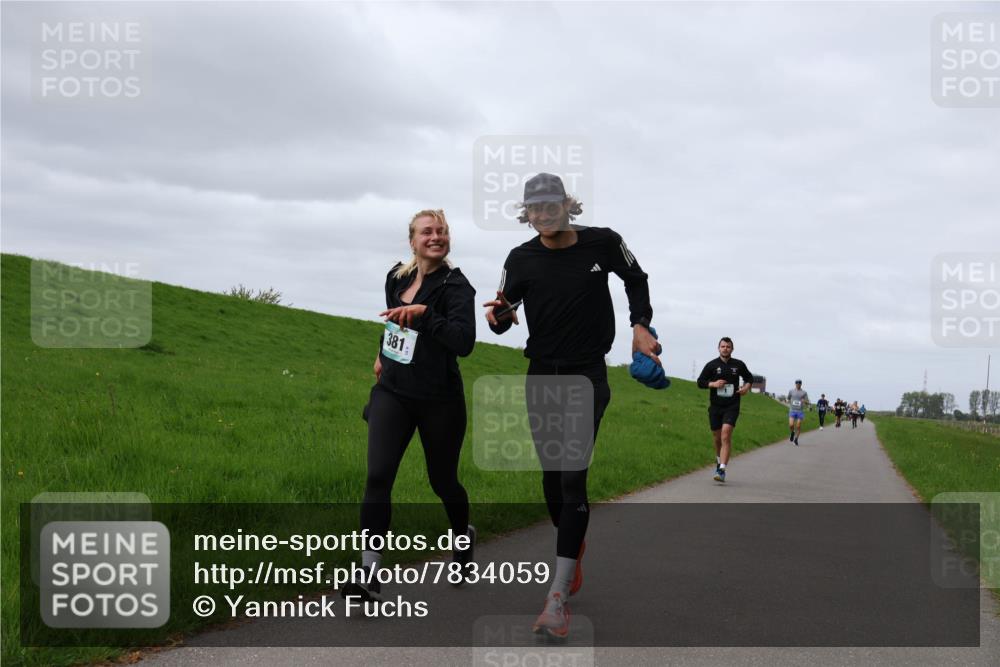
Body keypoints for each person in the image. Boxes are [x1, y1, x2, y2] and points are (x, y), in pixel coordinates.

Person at [484, 173, 657, 639]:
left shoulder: (603, 243)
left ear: (567, 205)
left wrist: (640, 326)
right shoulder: (520, 258)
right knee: (551, 481)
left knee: (571, 476)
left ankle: (556, 597)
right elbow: (503, 316)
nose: (542, 215)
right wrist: (500, 316)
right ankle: (572, 547)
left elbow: (636, 278)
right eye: (533, 209)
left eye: (549, 206)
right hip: (541, 373)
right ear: (527, 213)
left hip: (586, 374)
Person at [343, 209, 477, 604]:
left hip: (439, 399)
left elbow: (464, 343)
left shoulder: (457, 287)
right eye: (427, 232)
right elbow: (394, 324)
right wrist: (382, 354)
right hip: (394, 392)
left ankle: (462, 535)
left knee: (443, 482)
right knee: (379, 476)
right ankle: (368, 572)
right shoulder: (396, 277)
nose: (436, 237)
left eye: (442, 232)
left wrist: (427, 316)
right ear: (413, 240)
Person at [696, 337, 754, 483]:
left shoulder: (738, 365)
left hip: (732, 406)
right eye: (723, 346)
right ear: (718, 348)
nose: (725, 349)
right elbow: (700, 382)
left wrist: (746, 388)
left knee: (725, 435)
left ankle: (721, 469)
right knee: (717, 438)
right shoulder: (711, 365)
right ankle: (718, 460)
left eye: (728, 346)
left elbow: (749, 378)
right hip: (715, 406)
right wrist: (713, 384)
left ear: (732, 349)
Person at [787, 380, 810, 445]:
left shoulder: (804, 392)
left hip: (800, 411)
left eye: (799, 384)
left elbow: (807, 402)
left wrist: (804, 401)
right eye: (797, 383)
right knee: (791, 425)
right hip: (792, 410)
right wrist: (790, 402)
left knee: (798, 426)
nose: (798, 385)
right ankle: (792, 433)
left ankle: (796, 439)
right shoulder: (791, 391)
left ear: (801, 384)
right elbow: (788, 398)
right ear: (795, 384)